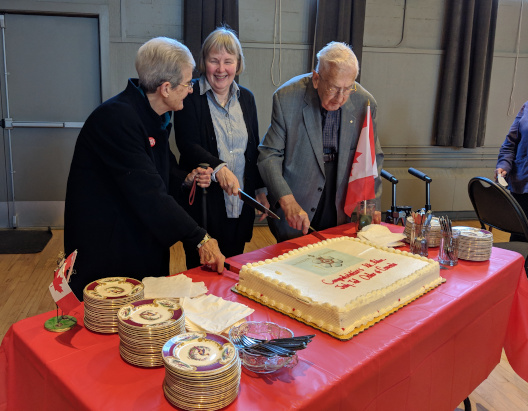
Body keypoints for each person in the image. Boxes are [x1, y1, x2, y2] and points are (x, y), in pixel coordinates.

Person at [64, 37, 225, 300]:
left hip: (137, 238)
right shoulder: (116, 119)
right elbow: (148, 191)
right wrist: (200, 238)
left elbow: (162, 168)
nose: (191, 90)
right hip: (109, 247)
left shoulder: (153, 114)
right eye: (187, 83)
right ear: (165, 88)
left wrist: (185, 179)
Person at [258, 41, 384, 242]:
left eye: (348, 88)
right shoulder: (286, 98)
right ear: (316, 79)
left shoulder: (365, 102)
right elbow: (269, 155)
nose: (341, 97)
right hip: (298, 190)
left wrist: (371, 204)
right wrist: (287, 200)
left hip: (342, 189)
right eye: (334, 88)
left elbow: (372, 157)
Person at [173, 27, 268, 269]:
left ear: (238, 63)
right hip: (204, 207)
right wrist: (219, 168)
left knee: (232, 274)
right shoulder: (190, 95)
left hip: (238, 204)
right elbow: (187, 144)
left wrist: (259, 189)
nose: (221, 69)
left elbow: (252, 147)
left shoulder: (247, 98)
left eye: (228, 61)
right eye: (214, 61)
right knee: (202, 275)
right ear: (204, 62)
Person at [496, 100, 528, 241]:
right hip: (522, 185)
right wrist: (504, 164)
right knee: (519, 240)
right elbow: (510, 143)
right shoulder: (526, 106)